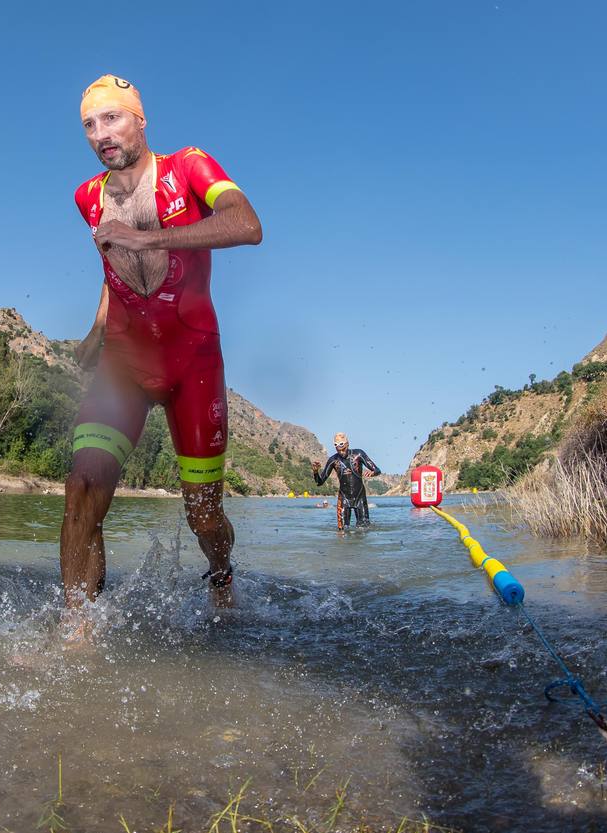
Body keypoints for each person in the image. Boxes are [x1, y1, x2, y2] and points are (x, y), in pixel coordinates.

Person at [60, 74, 263, 621]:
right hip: (124, 362)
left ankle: (221, 575)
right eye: (89, 125)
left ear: (140, 120)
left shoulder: (189, 167)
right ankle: (77, 631)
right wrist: (96, 331)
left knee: (204, 516)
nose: (101, 134)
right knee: (82, 485)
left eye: (112, 118)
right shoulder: (87, 197)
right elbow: (114, 266)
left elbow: (246, 224)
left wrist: (147, 236)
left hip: (192, 361)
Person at [312, 433, 381, 531]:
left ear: (347, 444)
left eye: (342, 447)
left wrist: (373, 473)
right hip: (344, 498)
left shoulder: (359, 454)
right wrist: (315, 472)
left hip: (359, 498)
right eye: (337, 448)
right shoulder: (333, 460)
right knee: (342, 531)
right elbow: (320, 482)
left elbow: (378, 470)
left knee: (364, 530)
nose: (341, 451)